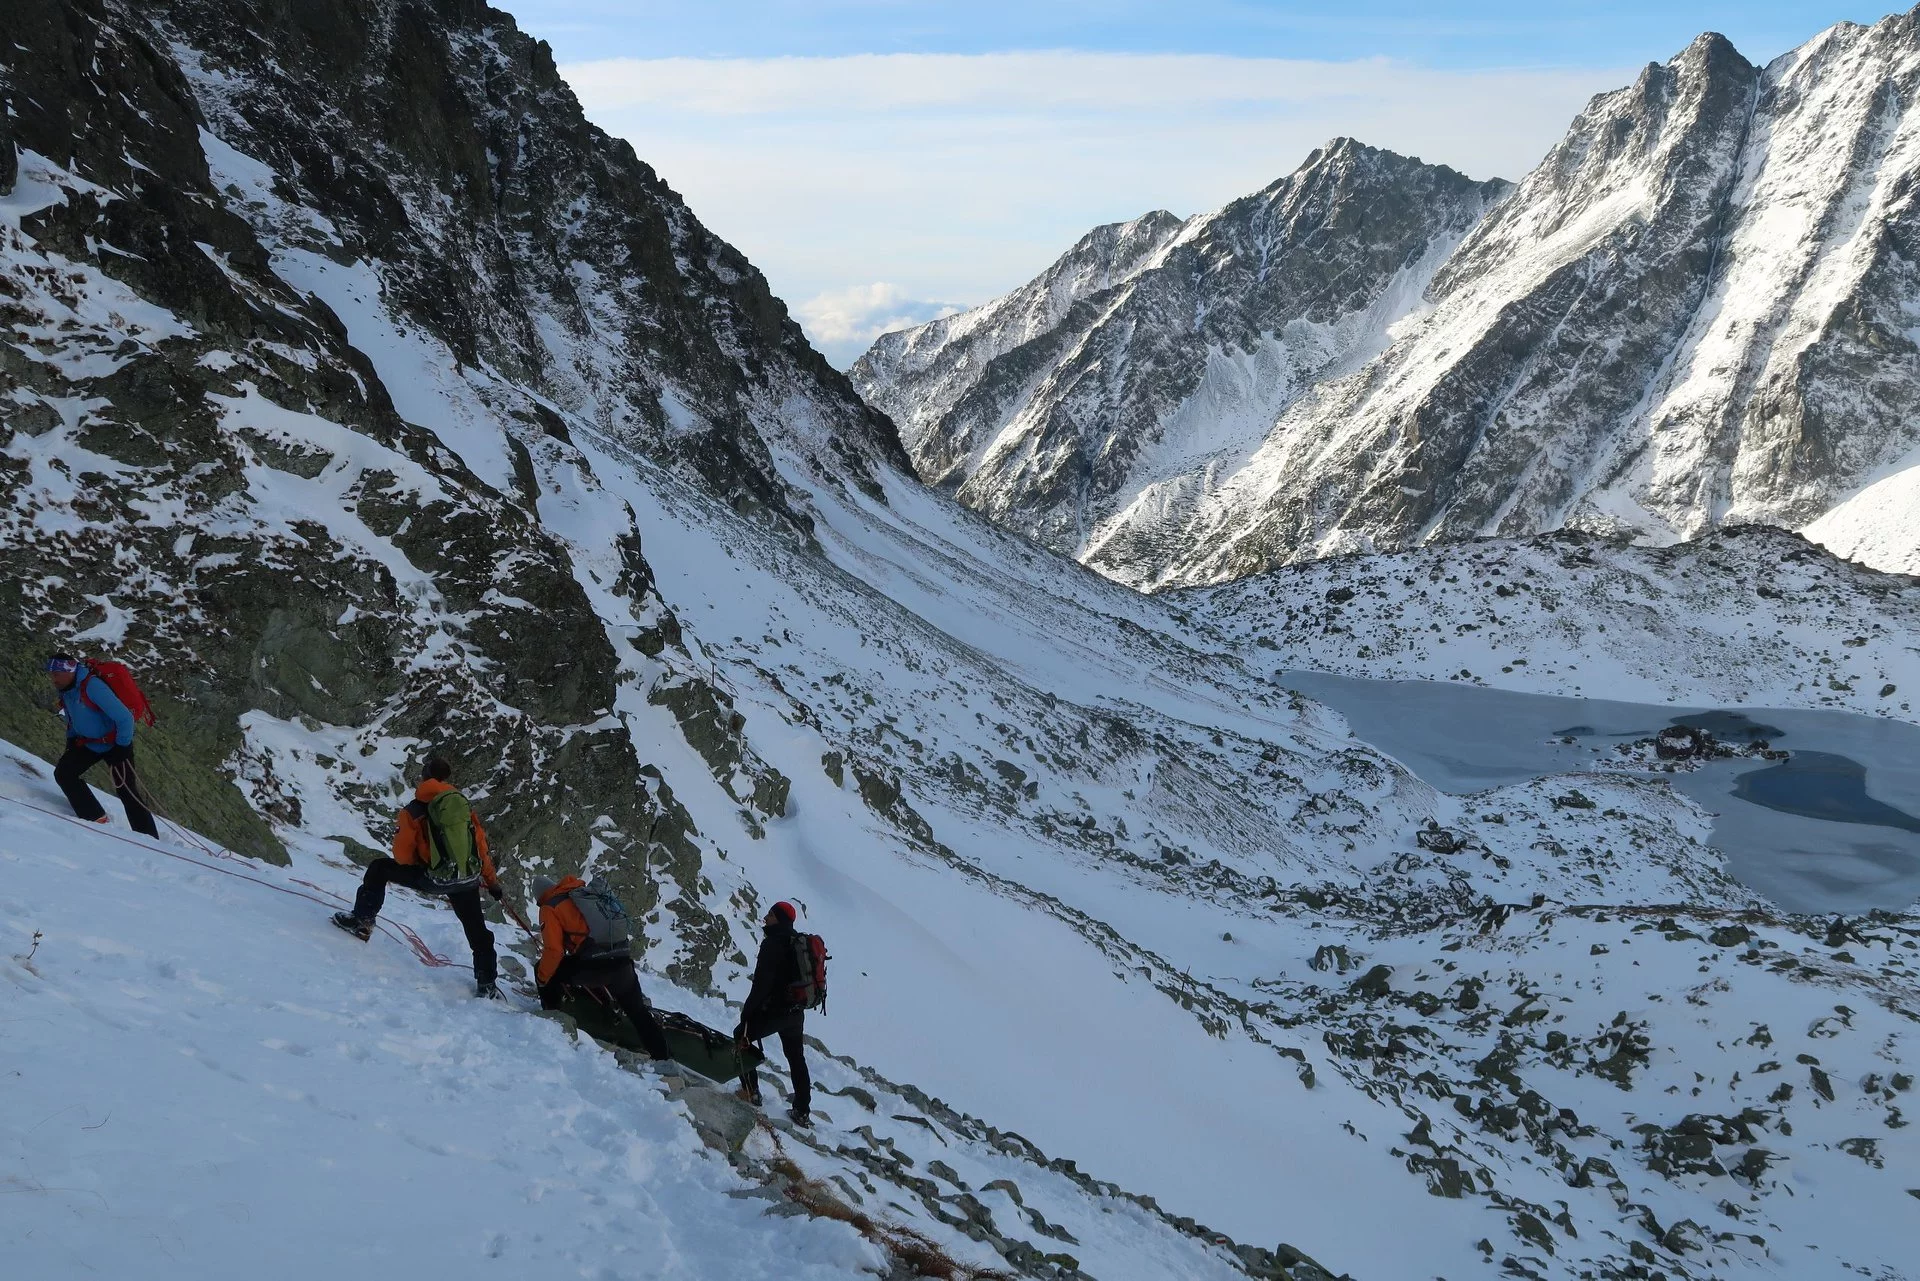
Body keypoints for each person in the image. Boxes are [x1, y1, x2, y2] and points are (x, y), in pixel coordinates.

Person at [332, 758, 502, 998]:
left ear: (424, 777)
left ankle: (362, 921)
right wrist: (492, 882)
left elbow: (402, 857)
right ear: (446, 779)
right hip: (467, 878)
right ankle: (487, 984)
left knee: (379, 868)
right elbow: (480, 847)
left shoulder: (414, 809)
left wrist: (425, 861)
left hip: (433, 878)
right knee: (477, 930)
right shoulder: (462, 808)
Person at [532, 875, 672, 1061]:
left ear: (540, 896)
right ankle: (663, 1058)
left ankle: (553, 1021)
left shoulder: (550, 906)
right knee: (639, 1013)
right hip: (622, 963)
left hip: (595, 968)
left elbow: (554, 951)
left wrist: (542, 978)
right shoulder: (580, 894)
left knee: (546, 971)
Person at [45, 654, 158, 837]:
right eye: (52, 674)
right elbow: (73, 716)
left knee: (127, 791)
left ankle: (149, 839)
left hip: (115, 744)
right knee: (64, 774)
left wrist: (122, 746)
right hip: (89, 743)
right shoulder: (67, 689)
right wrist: (71, 739)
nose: (53, 678)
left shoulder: (92, 686)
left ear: (70, 671)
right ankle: (95, 819)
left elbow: (125, 718)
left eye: (57, 673)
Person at [735, 900, 812, 1126]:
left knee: (741, 1036)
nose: (765, 918)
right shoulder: (797, 942)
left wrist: (747, 1015)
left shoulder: (773, 944)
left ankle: (751, 1092)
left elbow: (761, 985)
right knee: (796, 1057)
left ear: (779, 919)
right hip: (796, 1012)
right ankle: (802, 1110)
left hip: (775, 1011)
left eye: (770, 915)